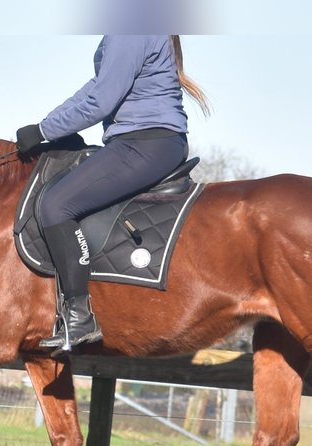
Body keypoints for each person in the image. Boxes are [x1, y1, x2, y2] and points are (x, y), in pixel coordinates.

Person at [16, 34, 210, 352]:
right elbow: (95, 88)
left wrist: (44, 131)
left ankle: (79, 318)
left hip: (144, 142)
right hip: (144, 140)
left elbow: (101, 101)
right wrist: (47, 125)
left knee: (55, 205)